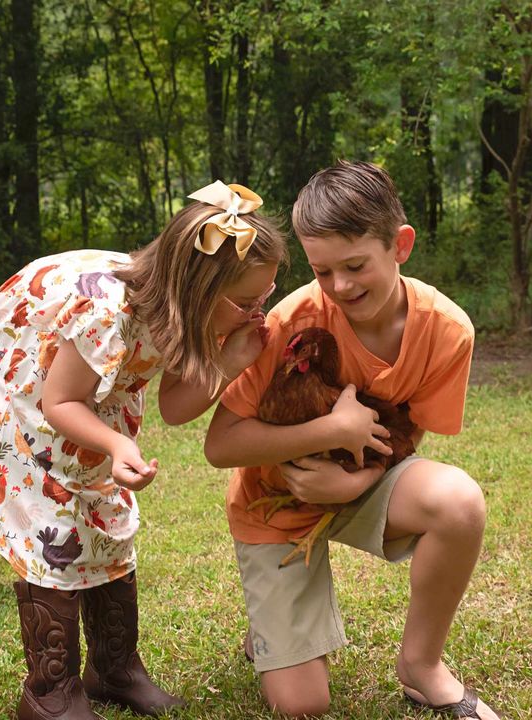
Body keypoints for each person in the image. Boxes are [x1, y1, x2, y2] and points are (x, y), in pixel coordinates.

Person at [0, 180, 287, 720]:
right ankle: (48, 692)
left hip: (87, 384)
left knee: (106, 507)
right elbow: (59, 403)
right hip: (21, 376)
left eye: (264, 297)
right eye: (247, 302)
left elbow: (176, 406)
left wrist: (231, 360)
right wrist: (113, 439)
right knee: (53, 519)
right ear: (199, 289)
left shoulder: (188, 312)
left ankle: (114, 668)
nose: (257, 310)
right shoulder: (108, 312)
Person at [204, 161, 500, 719]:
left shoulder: (448, 330)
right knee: (303, 706)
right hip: (276, 504)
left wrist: (356, 480)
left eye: (356, 265)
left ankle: (421, 665)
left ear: (401, 246)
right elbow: (219, 445)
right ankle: (270, 630)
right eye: (322, 271)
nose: (340, 286)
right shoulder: (289, 321)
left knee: (458, 503)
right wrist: (333, 431)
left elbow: (410, 430)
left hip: (363, 482)